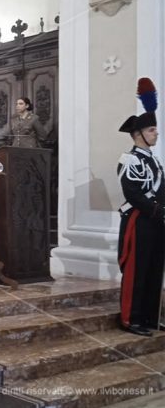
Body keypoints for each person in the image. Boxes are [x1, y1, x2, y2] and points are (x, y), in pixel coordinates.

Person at [116, 77, 165, 337]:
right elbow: (133, 193)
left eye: (155, 130)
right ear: (138, 135)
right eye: (152, 130)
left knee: (155, 267)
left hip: (157, 220)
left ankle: (149, 317)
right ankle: (131, 318)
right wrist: (157, 210)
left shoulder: (154, 160)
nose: (156, 133)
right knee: (138, 269)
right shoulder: (129, 160)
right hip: (139, 220)